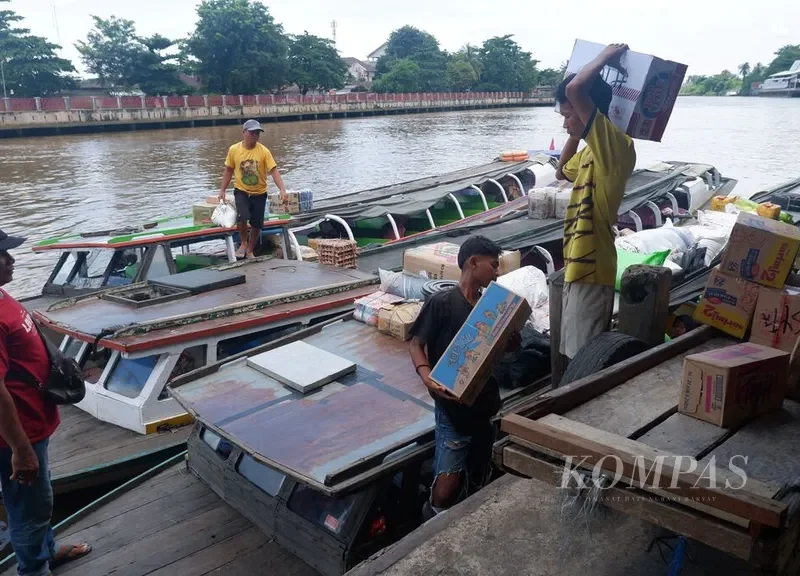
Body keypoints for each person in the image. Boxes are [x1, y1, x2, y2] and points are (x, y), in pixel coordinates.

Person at [0, 229, 91, 576]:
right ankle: (35, 569)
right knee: (28, 510)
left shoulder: (2, 296)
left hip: (33, 425)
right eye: (3, 255)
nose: (11, 260)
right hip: (17, 436)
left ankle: (47, 551)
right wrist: (20, 451)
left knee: (38, 501)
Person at [409, 236, 519, 518]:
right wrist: (426, 377)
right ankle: (430, 521)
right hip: (451, 407)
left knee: (478, 467)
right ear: (473, 262)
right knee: (446, 485)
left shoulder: (489, 308)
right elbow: (415, 344)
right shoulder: (441, 303)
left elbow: (499, 351)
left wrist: (511, 338)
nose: (497, 272)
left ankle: (468, 514)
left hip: (485, 403)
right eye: (493, 265)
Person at [554, 43, 637, 361]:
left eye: (567, 116)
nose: (564, 124)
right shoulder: (590, 151)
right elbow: (562, 171)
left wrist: (604, 58)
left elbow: (575, 88)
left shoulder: (615, 147)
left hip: (593, 267)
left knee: (583, 356)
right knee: (571, 350)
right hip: (577, 266)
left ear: (587, 108)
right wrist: (577, 130)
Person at [218, 119, 288, 259]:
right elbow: (228, 170)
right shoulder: (234, 150)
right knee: (242, 217)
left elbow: (274, 171)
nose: (255, 136)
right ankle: (243, 243)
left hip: (259, 193)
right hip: (241, 190)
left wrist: (282, 190)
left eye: (257, 133)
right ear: (244, 133)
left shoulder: (263, 151)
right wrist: (222, 190)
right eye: (252, 133)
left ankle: (250, 250)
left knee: (256, 224)